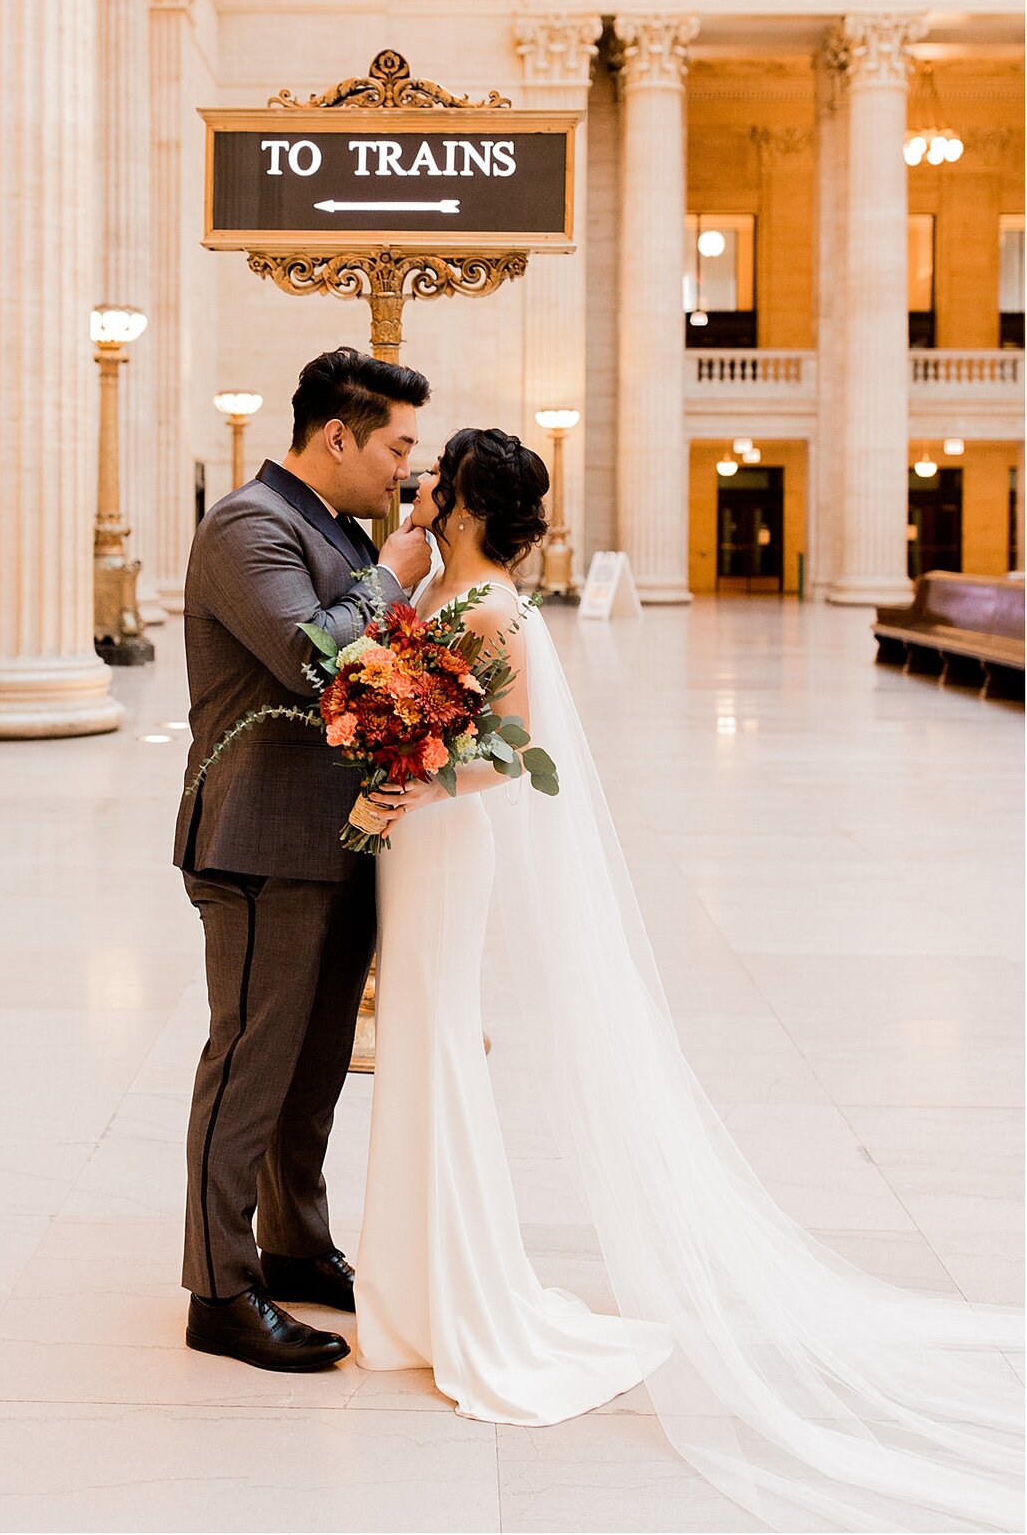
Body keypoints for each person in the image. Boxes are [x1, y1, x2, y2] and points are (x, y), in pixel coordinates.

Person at [358, 428, 1022, 1530]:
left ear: (466, 501)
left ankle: (460, 1301)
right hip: (413, 850)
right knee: (423, 1044)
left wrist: (420, 785)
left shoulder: (492, 613)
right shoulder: (444, 587)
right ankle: (417, 1290)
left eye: (436, 482)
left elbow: (511, 748)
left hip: (441, 848)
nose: (420, 487)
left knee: (433, 1045)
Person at [171, 348, 431, 1373]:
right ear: (336, 436)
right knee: (248, 1067)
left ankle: (293, 1245)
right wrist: (393, 576)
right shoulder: (250, 525)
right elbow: (310, 656)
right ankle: (218, 1289)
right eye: (394, 447)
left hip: (338, 837)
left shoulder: (330, 527)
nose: (403, 471)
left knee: (312, 1070)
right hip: (258, 836)